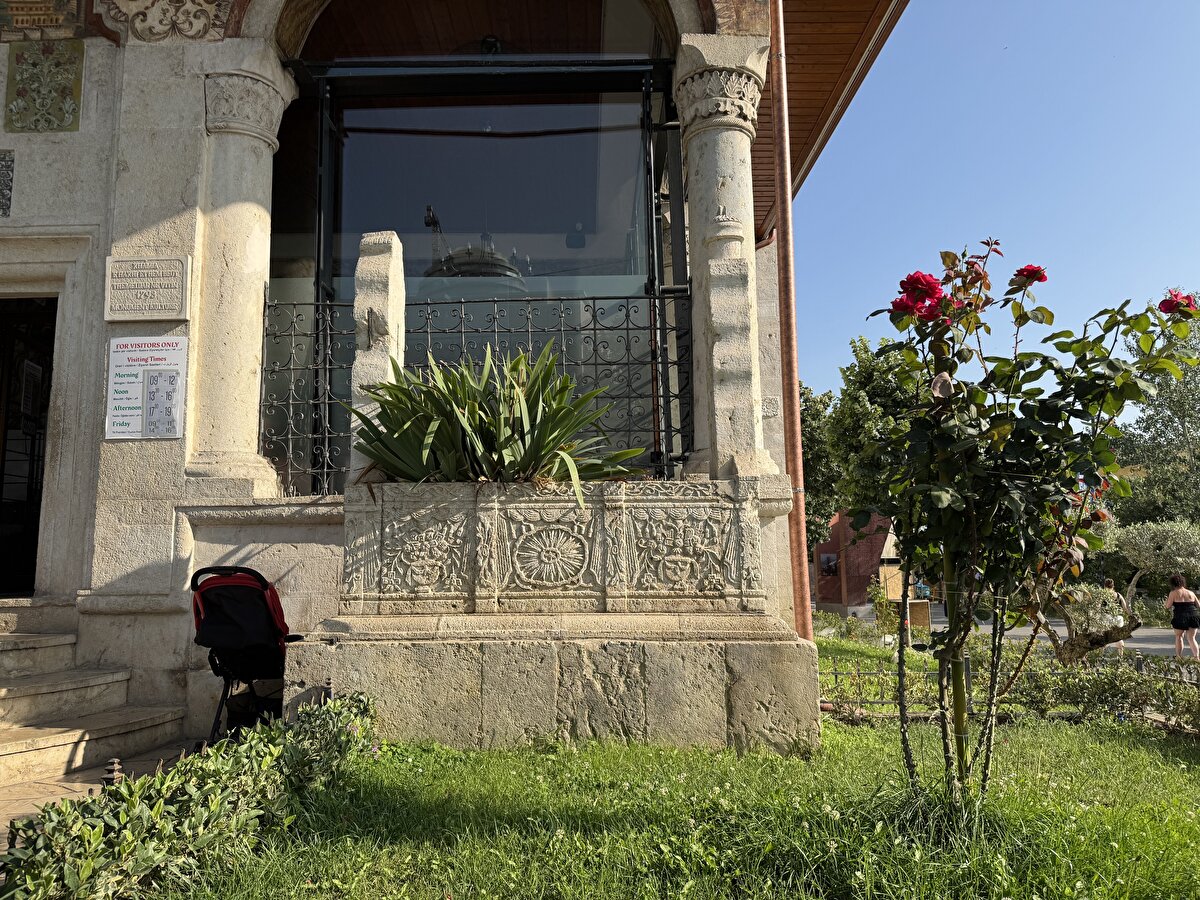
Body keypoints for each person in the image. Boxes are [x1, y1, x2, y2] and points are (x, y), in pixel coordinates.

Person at [1165, 573, 1200, 659]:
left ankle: (1179, 656)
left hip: (1180, 616)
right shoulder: (1191, 593)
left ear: (1173, 583)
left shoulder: (1173, 593)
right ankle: (1197, 657)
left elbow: (1168, 606)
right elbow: (1198, 605)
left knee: (1179, 637)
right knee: (1192, 638)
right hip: (1193, 615)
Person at [1102, 578, 1126, 656]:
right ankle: (1120, 656)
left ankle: (1101, 657)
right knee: (1118, 638)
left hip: (1106, 617)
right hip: (1118, 618)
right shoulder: (1118, 595)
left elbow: (1097, 606)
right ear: (1113, 586)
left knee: (1104, 637)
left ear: (1104, 586)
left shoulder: (1102, 595)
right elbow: (1125, 607)